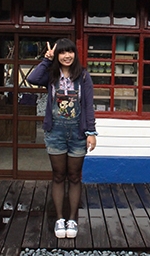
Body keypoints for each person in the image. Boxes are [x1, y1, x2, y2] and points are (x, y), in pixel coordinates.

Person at [27, 38, 97, 239]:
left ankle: (72, 219)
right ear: (57, 55)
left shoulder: (83, 76)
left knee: (74, 177)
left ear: (75, 53)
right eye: (62, 52)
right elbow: (32, 78)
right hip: (55, 132)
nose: (67, 56)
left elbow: (88, 106)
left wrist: (91, 132)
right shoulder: (51, 75)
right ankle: (59, 218)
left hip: (77, 133)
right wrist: (46, 59)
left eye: (70, 52)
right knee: (58, 176)